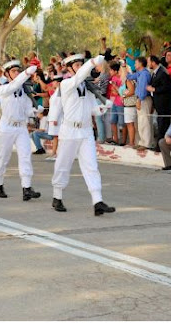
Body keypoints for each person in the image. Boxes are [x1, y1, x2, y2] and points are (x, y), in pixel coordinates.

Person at [51, 53, 116, 216]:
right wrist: (93, 62)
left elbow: (93, 108)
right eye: (77, 65)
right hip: (70, 131)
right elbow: (79, 77)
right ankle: (57, 195)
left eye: (82, 64)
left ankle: (97, 201)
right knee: (63, 165)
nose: (80, 68)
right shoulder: (66, 84)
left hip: (86, 130)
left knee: (91, 166)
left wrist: (103, 108)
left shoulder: (87, 88)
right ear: (70, 68)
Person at [0, 60, 42, 201]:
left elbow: (26, 110)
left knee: (25, 156)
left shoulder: (24, 91)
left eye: (18, 71)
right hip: (7, 128)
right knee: (3, 157)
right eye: (13, 71)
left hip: (21, 127)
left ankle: (26, 188)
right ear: (7, 75)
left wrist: (35, 111)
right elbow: (14, 85)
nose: (17, 73)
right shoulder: (3, 89)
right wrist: (26, 73)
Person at [147, 56, 171, 151]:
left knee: (163, 124)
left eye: (149, 62)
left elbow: (167, 87)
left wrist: (154, 89)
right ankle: (160, 145)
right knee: (160, 123)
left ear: (153, 62)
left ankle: (161, 146)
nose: (148, 64)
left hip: (164, 103)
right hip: (158, 103)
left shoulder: (162, 72)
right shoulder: (155, 73)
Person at [127, 57, 153, 150]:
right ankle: (142, 141)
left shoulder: (144, 74)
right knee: (140, 121)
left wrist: (139, 100)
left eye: (136, 63)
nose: (134, 64)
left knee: (144, 121)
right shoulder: (139, 73)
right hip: (141, 98)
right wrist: (123, 66)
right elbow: (129, 77)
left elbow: (143, 88)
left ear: (141, 63)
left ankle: (146, 143)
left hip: (143, 99)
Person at [118, 64, 137, 147]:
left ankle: (131, 142)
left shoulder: (128, 80)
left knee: (130, 124)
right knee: (129, 124)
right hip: (129, 104)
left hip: (130, 104)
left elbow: (132, 91)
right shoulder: (129, 80)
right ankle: (132, 142)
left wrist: (124, 96)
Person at [107, 62, 125, 145]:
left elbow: (120, 92)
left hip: (120, 103)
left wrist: (115, 88)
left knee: (122, 122)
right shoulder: (113, 78)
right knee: (112, 121)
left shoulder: (121, 79)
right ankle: (115, 139)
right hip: (113, 102)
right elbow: (113, 92)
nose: (109, 72)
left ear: (116, 71)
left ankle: (123, 141)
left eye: (111, 70)